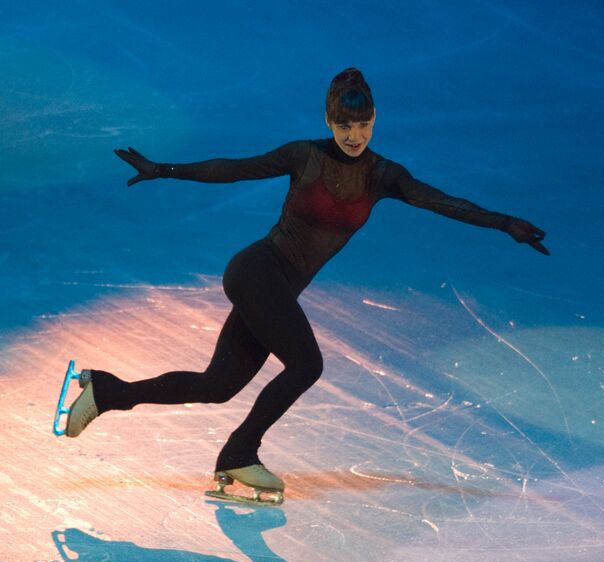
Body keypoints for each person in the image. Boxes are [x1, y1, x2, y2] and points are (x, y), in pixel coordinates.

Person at [63, 67, 548, 501]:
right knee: (306, 364)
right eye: (344, 125)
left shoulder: (384, 176)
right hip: (257, 271)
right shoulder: (305, 157)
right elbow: (235, 169)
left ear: (375, 119)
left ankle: (107, 392)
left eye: (362, 125)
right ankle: (240, 451)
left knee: (218, 386)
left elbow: (443, 202)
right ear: (328, 121)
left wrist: (507, 223)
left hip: (275, 288)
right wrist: (164, 170)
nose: (354, 135)